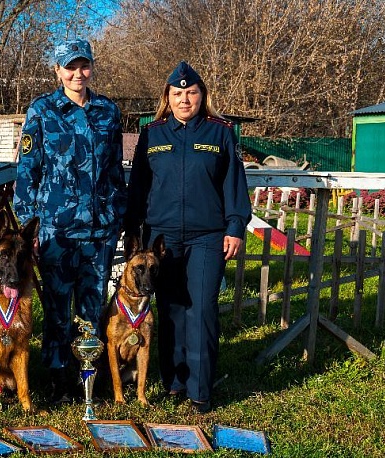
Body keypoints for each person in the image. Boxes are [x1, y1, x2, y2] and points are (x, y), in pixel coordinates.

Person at [124, 61, 251, 413]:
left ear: (202, 95)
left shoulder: (219, 132)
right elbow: (139, 186)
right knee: (171, 307)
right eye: (177, 94)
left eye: (191, 93)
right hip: (161, 238)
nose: (184, 100)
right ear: (167, 97)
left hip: (208, 236)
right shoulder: (153, 133)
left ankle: (201, 389)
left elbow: (234, 185)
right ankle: (174, 383)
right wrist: (132, 228)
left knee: (203, 309)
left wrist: (235, 226)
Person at [13, 38, 127, 403]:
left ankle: (89, 378)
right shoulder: (43, 111)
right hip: (56, 230)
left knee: (92, 307)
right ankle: (59, 378)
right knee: (59, 310)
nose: (78, 73)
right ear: (58, 70)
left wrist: (118, 214)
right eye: (70, 66)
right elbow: (27, 173)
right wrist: (28, 230)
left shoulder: (108, 111)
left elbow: (114, 170)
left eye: (84, 65)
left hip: (99, 229)